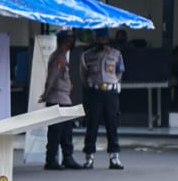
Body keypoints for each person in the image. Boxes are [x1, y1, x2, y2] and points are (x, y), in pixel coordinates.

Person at [80, 27, 125, 169]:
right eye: (99, 38)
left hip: (110, 93)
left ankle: (114, 157)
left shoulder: (116, 54)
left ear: (108, 38)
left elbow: (119, 72)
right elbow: (83, 74)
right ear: (95, 39)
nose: (102, 40)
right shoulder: (87, 55)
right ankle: (89, 157)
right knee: (92, 125)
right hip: (95, 92)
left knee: (112, 125)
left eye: (104, 38)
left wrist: (112, 83)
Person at [40, 30, 82, 170]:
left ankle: (67, 157)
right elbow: (51, 78)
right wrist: (46, 94)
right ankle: (51, 159)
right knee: (55, 132)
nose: (72, 41)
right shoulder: (58, 57)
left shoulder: (63, 57)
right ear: (65, 40)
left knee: (66, 132)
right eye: (70, 39)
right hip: (57, 99)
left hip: (65, 99)